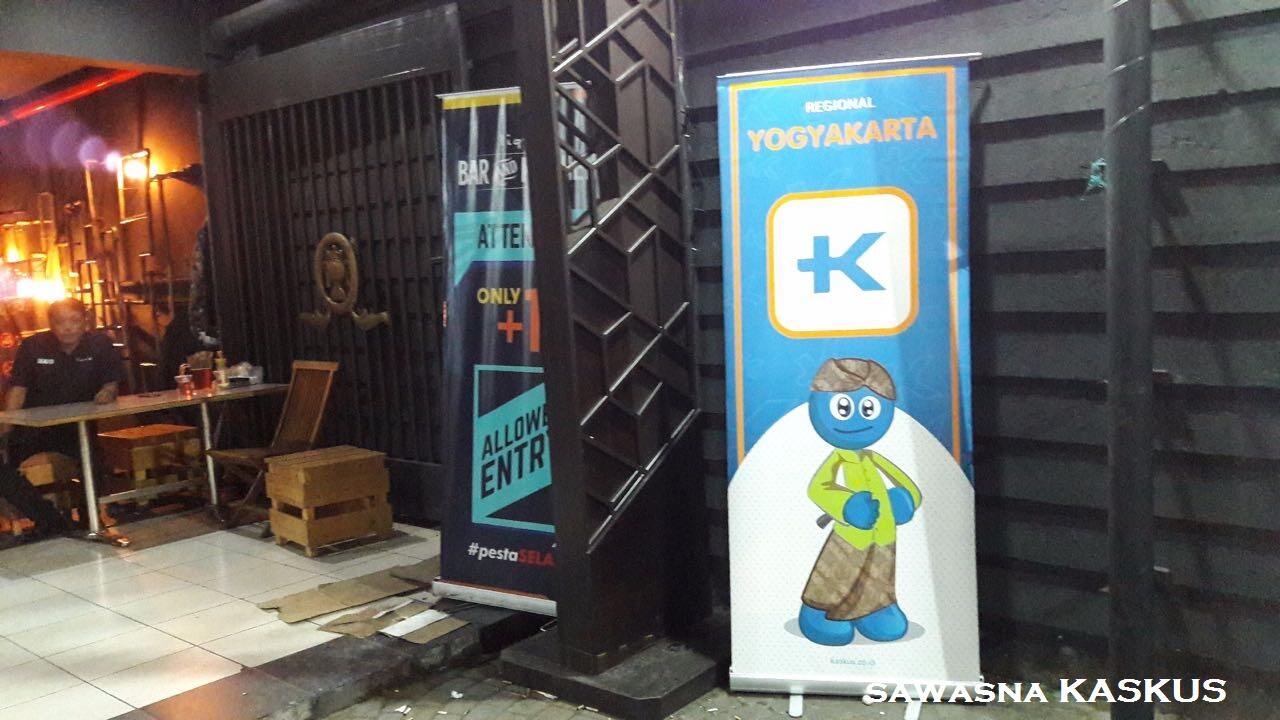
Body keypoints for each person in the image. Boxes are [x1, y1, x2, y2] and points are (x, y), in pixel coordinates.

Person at [797, 357, 922, 646]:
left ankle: (875, 608)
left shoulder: (874, 458)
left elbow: (906, 484)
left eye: (869, 408)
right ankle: (819, 610)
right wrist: (846, 506)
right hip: (849, 536)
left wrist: (906, 500)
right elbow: (819, 488)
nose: (857, 420)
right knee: (837, 573)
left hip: (884, 535)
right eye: (843, 408)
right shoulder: (838, 459)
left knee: (879, 573)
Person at [0, 298, 122, 536]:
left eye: (74, 321)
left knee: (93, 460)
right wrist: (6, 426)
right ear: (51, 324)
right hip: (31, 427)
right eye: (60, 322)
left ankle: (89, 517)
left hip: (75, 426)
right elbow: (18, 389)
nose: (68, 328)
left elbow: (111, 381)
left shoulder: (100, 344)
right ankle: (50, 519)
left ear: (85, 321)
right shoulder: (33, 346)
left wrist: (108, 392)